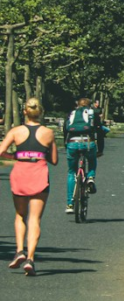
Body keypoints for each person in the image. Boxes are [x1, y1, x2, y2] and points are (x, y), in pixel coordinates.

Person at [2, 97, 59, 276]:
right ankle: (30, 259)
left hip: (20, 174)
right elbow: (55, 160)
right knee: (35, 219)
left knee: (20, 215)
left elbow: (1, 151)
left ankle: (19, 250)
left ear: (25, 112)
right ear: (40, 113)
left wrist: (16, 157)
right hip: (39, 175)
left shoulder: (16, 131)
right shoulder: (48, 133)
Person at [64, 97, 100, 213]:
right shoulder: (92, 113)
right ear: (90, 105)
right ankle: (90, 177)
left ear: (77, 105)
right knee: (92, 161)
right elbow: (99, 131)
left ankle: (70, 204)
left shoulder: (71, 113)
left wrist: (67, 145)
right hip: (88, 142)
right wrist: (100, 149)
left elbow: (65, 130)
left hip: (72, 143)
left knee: (71, 172)